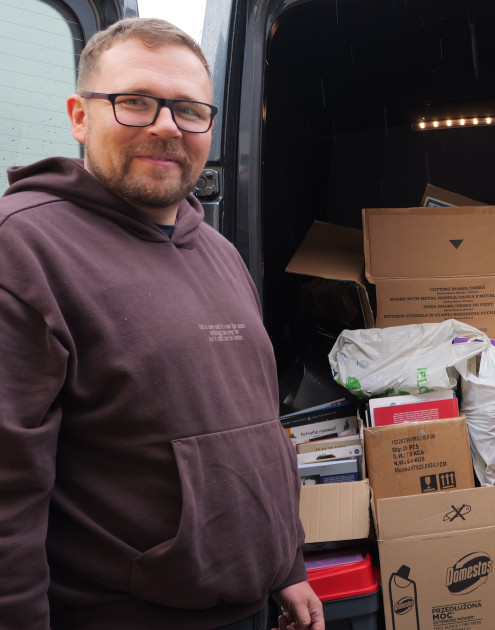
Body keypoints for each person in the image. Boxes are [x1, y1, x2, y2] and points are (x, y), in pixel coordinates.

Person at [0, 18, 323, 630]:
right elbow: (7, 489)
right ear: (78, 116)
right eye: (136, 102)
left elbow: (252, 430)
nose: (166, 126)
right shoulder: (25, 249)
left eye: (188, 110)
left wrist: (287, 562)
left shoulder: (218, 251)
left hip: (250, 608)